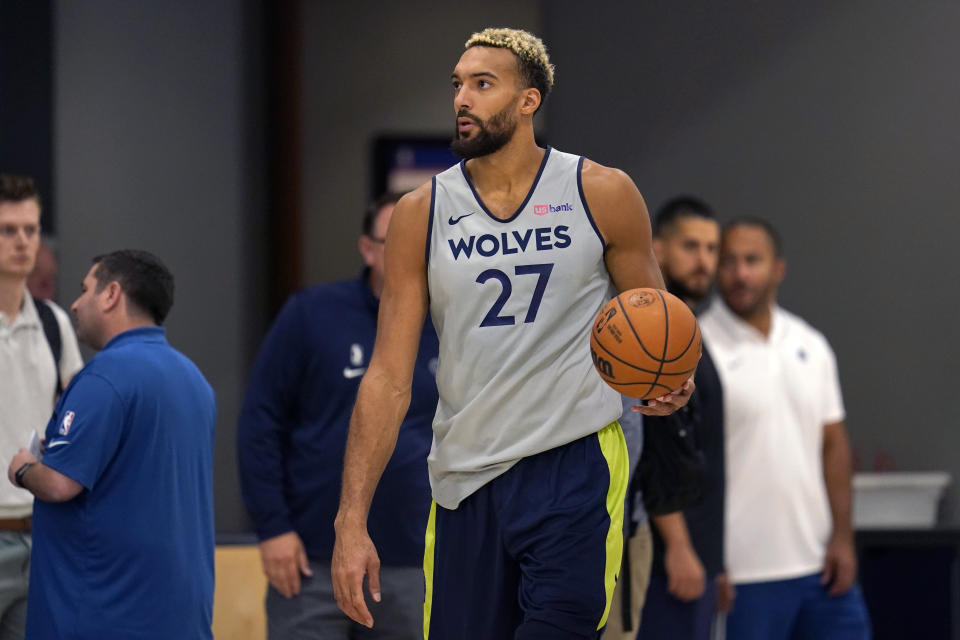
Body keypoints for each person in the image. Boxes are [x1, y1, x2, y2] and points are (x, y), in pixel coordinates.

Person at [331, 28, 693, 640]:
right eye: (457, 85)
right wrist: (350, 518)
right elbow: (389, 376)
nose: (461, 99)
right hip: (464, 476)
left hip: (573, 463)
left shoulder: (601, 192)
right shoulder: (421, 212)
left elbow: (656, 321)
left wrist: (671, 380)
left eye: (482, 84)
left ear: (529, 100)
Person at [237, 193, 439, 639]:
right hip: (312, 560)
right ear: (367, 249)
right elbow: (260, 425)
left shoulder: (449, 323)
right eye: (395, 241)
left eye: (423, 242)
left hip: (415, 559)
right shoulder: (311, 315)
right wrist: (272, 527)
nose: (412, 254)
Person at [7, 250, 216, 639]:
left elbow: (58, 483)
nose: (74, 303)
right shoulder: (195, 382)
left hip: (104, 614)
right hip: (181, 617)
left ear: (111, 294)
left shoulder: (104, 378)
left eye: (85, 289)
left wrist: (23, 468)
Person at [699, 218, 871, 640]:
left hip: (820, 568)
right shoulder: (697, 347)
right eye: (730, 262)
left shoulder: (811, 345)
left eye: (752, 261)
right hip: (740, 577)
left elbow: (833, 446)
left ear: (778, 268)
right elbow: (688, 465)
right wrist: (708, 561)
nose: (741, 274)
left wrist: (844, 540)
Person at [633, 197, 727, 639]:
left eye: (711, 249)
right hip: (668, 559)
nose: (704, 261)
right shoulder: (650, 331)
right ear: (659, 249)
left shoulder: (683, 325)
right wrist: (679, 546)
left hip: (701, 550)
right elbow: (653, 436)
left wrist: (714, 557)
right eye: (691, 246)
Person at [0, 173, 82, 639]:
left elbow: (76, 421)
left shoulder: (55, 324)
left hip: (40, 534)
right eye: (8, 230)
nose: (22, 242)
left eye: (30, 230)